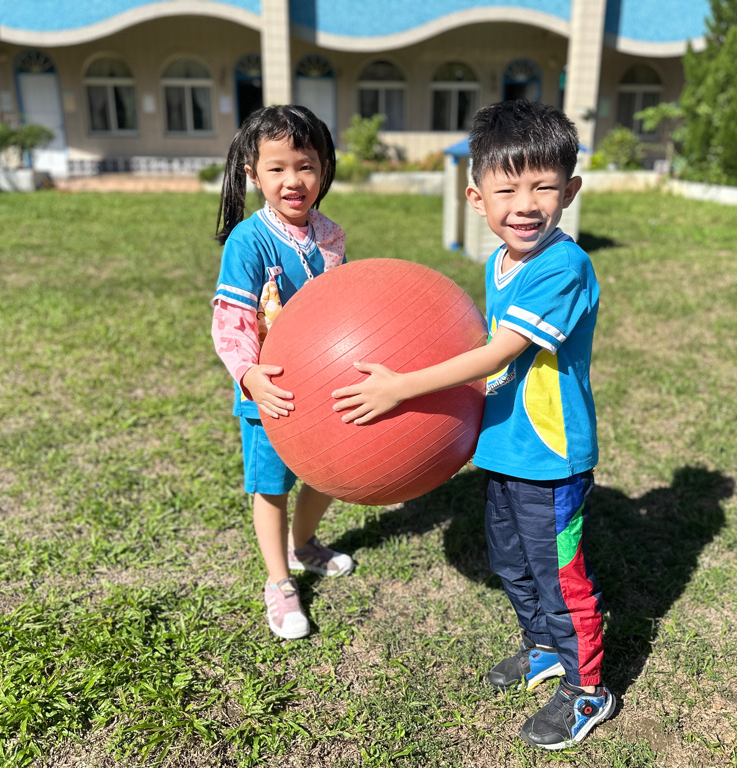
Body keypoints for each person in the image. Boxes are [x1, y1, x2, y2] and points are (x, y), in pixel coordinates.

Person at [332, 100, 614, 749]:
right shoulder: (499, 263)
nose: (526, 204)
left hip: (550, 458)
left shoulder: (563, 267)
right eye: (506, 189)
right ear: (476, 197)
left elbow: (498, 352)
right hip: (504, 447)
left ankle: (588, 690)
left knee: (560, 577)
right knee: (511, 561)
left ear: (570, 191)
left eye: (544, 187)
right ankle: (544, 647)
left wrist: (402, 387)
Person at [211, 105, 353, 641]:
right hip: (267, 391)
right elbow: (230, 320)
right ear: (253, 174)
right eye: (277, 168)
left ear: (324, 169)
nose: (293, 180)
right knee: (271, 487)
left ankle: (304, 544)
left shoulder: (331, 235)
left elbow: (345, 307)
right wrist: (249, 376)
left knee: (327, 474)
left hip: (323, 385)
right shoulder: (249, 241)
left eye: (306, 166)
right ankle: (279, 580)